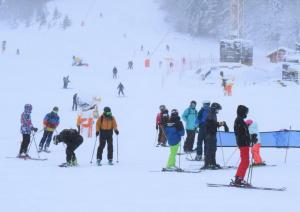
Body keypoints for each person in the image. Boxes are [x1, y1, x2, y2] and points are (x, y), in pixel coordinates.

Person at [202, 102, 228, 169]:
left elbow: (214, 124)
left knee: (213, 149)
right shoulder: (210, 115)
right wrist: (218, 124)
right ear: (214, 109)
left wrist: (220, 124)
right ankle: (208, 164)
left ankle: (213, 163)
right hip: (210, 134)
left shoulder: (213, 114)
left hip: (212, 134)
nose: (218, 111)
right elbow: (210, 124)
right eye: (217, 109)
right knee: (209, 149)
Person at [232, 105, 251, 186]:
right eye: (245, 112)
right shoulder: (239, 121)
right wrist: (249, 139)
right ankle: (239, 178)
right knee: (245, 161)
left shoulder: (240, 120)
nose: (246, 114)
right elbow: (241, 134)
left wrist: (251, 138)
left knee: (245, 161)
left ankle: (239, 177)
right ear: (242, 112)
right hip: (243, 143)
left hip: (244, 143)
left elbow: (244, 133)